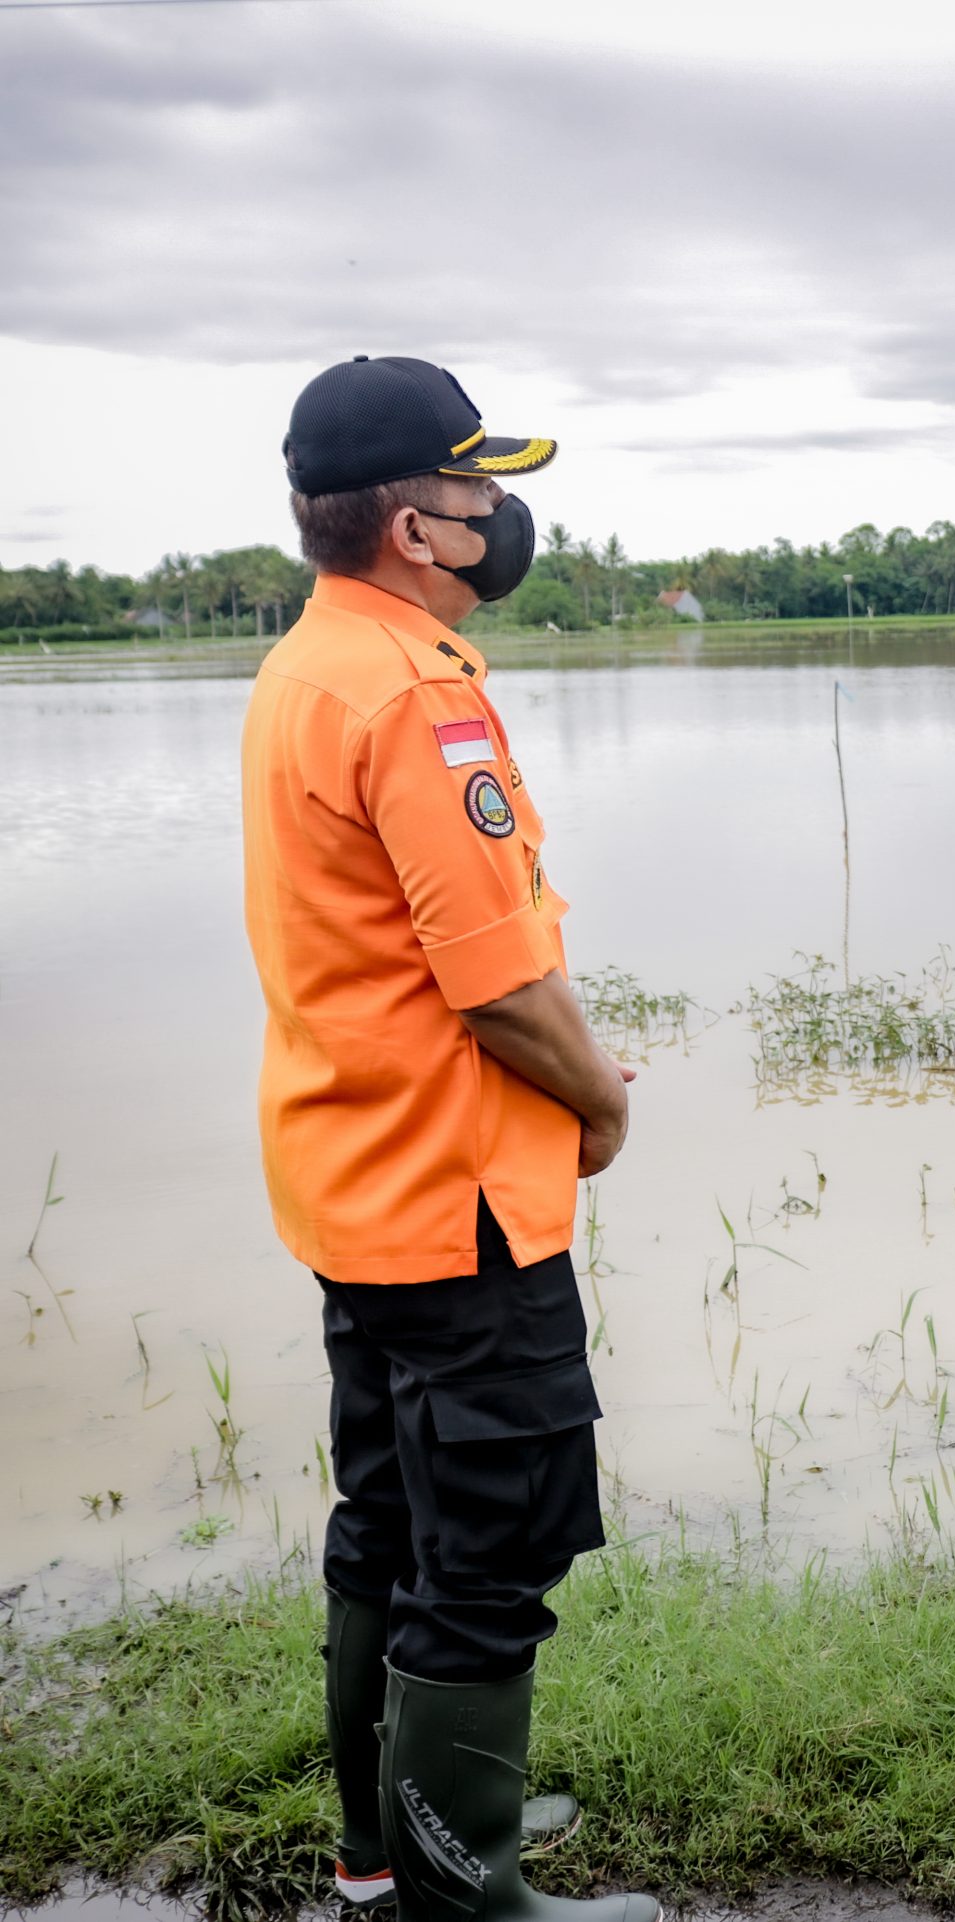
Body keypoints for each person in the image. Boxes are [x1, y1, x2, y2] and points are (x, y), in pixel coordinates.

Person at [241, 356, 657, 1922]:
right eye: (480, 488)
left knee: (389, 1524)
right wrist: (601, 1098)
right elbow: (496, 983)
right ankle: (463, 1891)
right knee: (489, 1546)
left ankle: (390, 1846)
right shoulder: (420, 694)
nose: (502, 513)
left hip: (361, 1193)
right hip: (464, 1204)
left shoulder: (307, 668)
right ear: (417, 525)